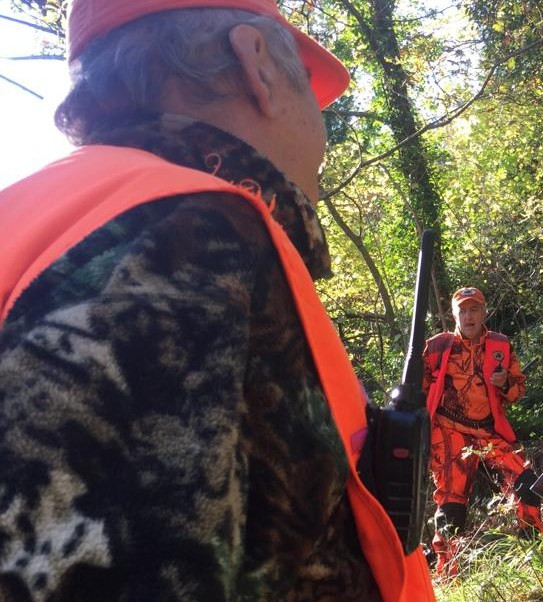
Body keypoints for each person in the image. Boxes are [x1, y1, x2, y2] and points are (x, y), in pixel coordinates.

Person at [0, 1, 433, 600]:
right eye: (307, 84)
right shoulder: (192, 234)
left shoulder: (41, 217)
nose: (322, 128)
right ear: (257, 65)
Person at [421, 287, 543, 577]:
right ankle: (447, 574)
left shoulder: (500, 346)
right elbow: (418, 390)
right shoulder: (438, 347)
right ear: (454, 316)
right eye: (462, 311)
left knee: (528, 483)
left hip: (488, 432)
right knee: (451, 507)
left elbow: (517, 391)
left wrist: (503, 383)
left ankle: (534, 554)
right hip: (449, 430)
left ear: (483, 312)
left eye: (474, 309)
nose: (468, 316)